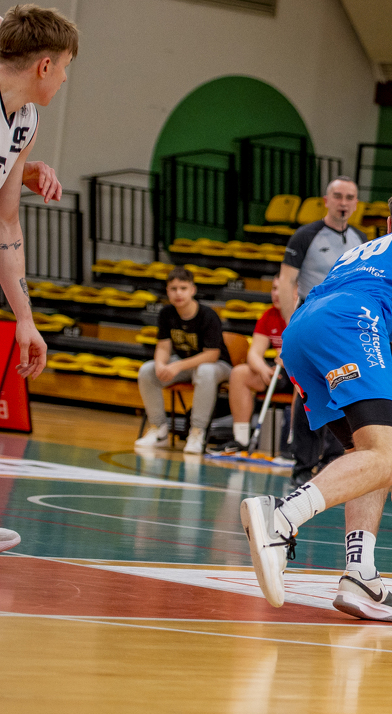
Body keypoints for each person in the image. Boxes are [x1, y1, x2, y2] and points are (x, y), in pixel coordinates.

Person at [240, 177, 392, 624]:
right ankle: (281, 518)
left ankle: (360, 575)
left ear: (389, 222)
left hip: (301, 331)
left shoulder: (365, 248)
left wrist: (391, 451)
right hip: (351, 322)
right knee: (382, 456)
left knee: (370, 454)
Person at [0, 4, 74, 554]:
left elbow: (6, 221)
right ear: (45, 65)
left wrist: (24, 317)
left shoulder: (24, 119)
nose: (66, 79)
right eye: (66, 67)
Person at [277, 176, 366, 487]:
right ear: (326, 200)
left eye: (349, 197)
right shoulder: (306, 236)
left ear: (356, 203)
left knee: (343, 391)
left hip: (345, 328)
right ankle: (302, 466)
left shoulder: (362, 239)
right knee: (310, 394)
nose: (344, 203)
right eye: (338, 196)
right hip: (310, 324)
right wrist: (291, 325)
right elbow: (286, 281)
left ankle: (334, 461)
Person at [135, 268, 231, 455]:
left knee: (205, 371)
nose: (178, 293)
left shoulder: (208, 315)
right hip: (186, 363)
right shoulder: (166, 313)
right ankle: (159, 429)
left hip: (218, 366)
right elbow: (163, 347)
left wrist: (177, 366)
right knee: (147, 370)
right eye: (173, 289)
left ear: (193, 290)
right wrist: (161, 365)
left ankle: (197, 432)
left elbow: (211, 355)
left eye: (183, 288)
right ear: (167, 291)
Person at [209, 282, 286, 455]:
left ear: (295, 291)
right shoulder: (269, 315)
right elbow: (254, 353)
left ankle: (295, 445)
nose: (276, 293)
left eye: (281, 289)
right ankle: (241, 440)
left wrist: (291, 356)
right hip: (277, 372)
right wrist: (263, 369)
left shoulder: (303, 312)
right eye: (273, 288)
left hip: (302, 374)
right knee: (240, 373)